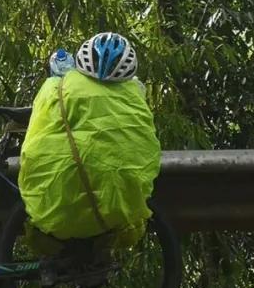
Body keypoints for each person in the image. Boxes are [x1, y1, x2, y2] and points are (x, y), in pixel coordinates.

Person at [18, 32, 161, 254]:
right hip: (116, 214)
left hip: (57, 209)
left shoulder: (58, 86)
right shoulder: (134, 96)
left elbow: (36, 140)